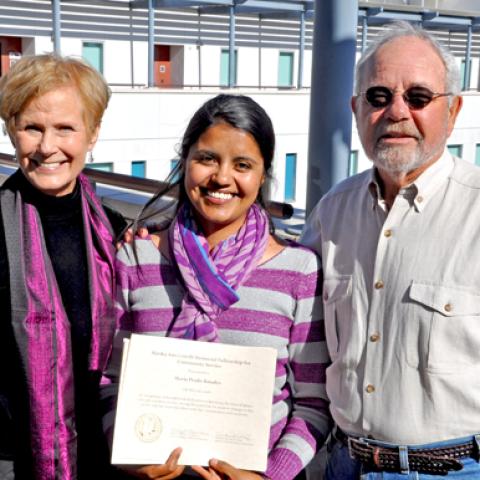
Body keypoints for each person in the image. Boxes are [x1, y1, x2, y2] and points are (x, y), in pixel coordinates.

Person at [104, 94, 331, 480]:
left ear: (263, 175)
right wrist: (127, 452)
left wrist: (269, 476)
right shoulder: (136, 257)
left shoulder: (298, 270)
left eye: (242, 164)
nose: (221, 177)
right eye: (207, 158)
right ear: (185, 163)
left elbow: (314, 403)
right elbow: (110, 379)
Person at [301, 20, 480, 479]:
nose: (396, 111)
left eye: (419, 97)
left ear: (453, 110)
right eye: (378, 97)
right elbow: (280, 292)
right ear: (356, 109)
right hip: (342, 464)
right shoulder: (331, 212)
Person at [0, 54, 126, 479]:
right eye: (32, 127)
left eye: (65, 128)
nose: (47, 147)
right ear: (10, 130)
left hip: (104, 454)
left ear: (92, 134)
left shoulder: (113, 231)